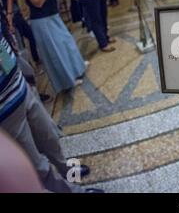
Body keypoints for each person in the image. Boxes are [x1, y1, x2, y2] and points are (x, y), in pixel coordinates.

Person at [0, 25, 103, 193]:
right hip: (5, 109)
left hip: (20, 86)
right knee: (37, 164)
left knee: (50, 137)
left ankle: (68, 171)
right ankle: (75, 191)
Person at [20, 0, 88, 94]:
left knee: (66, 43)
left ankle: (76, 70)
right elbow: (37, 1)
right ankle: (67, 81)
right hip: (42, 20)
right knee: (56, 52)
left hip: (51, 15)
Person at [0, 0, 40, 65]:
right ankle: (29, 67)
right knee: (19, 44)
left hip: (13, 15)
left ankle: (33, 64)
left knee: (24, 40)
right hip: (11, 18)